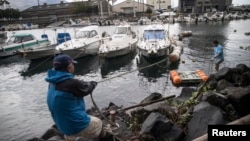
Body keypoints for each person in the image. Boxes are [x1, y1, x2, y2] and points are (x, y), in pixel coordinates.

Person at [45, 53, 102, 140]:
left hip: (62, 126)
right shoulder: (72, 83)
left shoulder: (52, 83)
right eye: (72, 64)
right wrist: (93, 83)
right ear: (69, 67)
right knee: (98, 122)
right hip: (75, 127)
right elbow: (87, 88)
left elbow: (76, 86)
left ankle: (71, 137)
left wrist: (81, 83)